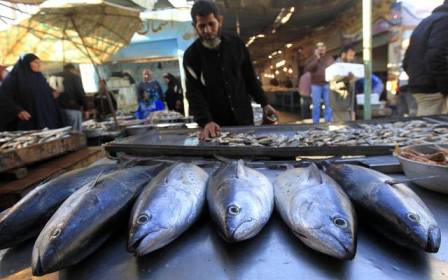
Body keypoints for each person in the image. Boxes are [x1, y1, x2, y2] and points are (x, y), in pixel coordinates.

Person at [184, 0, 277, 139]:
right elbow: (193, 92)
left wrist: (264, 103)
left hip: (244, 118)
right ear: (194, 26)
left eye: (211, 24)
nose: (207, 30)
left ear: (219, 21)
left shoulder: (236, 44)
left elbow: (249, 77)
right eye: (201, 26)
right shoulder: (191, 56)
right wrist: (206, 121)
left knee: (249, 155)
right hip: (215, 125)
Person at [403, 0, 448, 116]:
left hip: (424, 87)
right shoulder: (445, 21)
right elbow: (437, 56)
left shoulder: (426, 21)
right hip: (435, 90)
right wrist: (445, 87)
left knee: (426, 127)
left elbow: (406, 60)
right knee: (434, 130)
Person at [0, 54, 63, 131]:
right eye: (35, 62)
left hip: (43, 117)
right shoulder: (13, 78)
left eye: (40, 62)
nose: (39, 65)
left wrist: (52, 94)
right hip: (26, 120)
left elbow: (44, 92)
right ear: (26, 63)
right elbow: (4, 97)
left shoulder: (39, 77)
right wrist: (18, 110)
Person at [305, 42, 335, 124]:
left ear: (325, 48)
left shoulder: (329, 58)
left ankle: (328, 121)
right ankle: (315, 122)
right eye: (319, 47)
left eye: (323, 46)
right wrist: (316, 58)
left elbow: (333, 68)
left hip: (327, 83)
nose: (321, 48)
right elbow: (309, 68)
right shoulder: (311, 59)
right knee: (316, 105)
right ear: (315, 49)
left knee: (328, 104)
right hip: (315, 85)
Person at [329, 46, 357, 122]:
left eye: (353, 56)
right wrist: (347, 79)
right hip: (340, 103)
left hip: (347, 104)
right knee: (343, 126)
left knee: (346, 125)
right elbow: (334, 82)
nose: (352, 58)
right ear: (343, 55)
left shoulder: (349, 66)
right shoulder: (336, 66)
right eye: (350, 55)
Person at [59, 63, 87, 131]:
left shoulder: (55, 77)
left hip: (60, 110)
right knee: (76, 131)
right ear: (72, 69)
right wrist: (86, 108)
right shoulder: (74, 77)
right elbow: (80, 92)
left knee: (66, 131)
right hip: (73, 108)